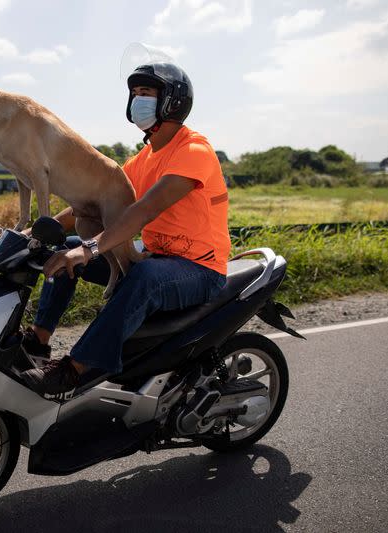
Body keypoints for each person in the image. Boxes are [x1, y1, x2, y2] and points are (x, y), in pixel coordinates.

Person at [21, 62, 231, 394]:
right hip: (153, 258)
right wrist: (35, 233)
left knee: (140, 278)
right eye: (134, 94)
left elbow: (143, 211)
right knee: (64, 254)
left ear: (171, 102)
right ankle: (37, 342)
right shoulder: (142, 159)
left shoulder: (194, 151)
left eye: (145, 93)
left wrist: (89, 249)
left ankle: (74, 370)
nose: (137, 101)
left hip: (199, 269)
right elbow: (90, 203)